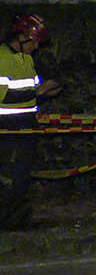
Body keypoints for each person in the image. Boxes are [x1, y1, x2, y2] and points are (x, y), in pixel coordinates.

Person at [0, 14, 61, 229]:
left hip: (26, 126)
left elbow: (29, 91)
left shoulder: (27, 59)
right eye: (34, 42)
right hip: (6, 130)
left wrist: (47, 91)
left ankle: (16, 221)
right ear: (22, 37)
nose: (36, 47)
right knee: (8, 179)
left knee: (22, 177)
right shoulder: (2, 58)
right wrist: (39, 93)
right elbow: (6, 96)